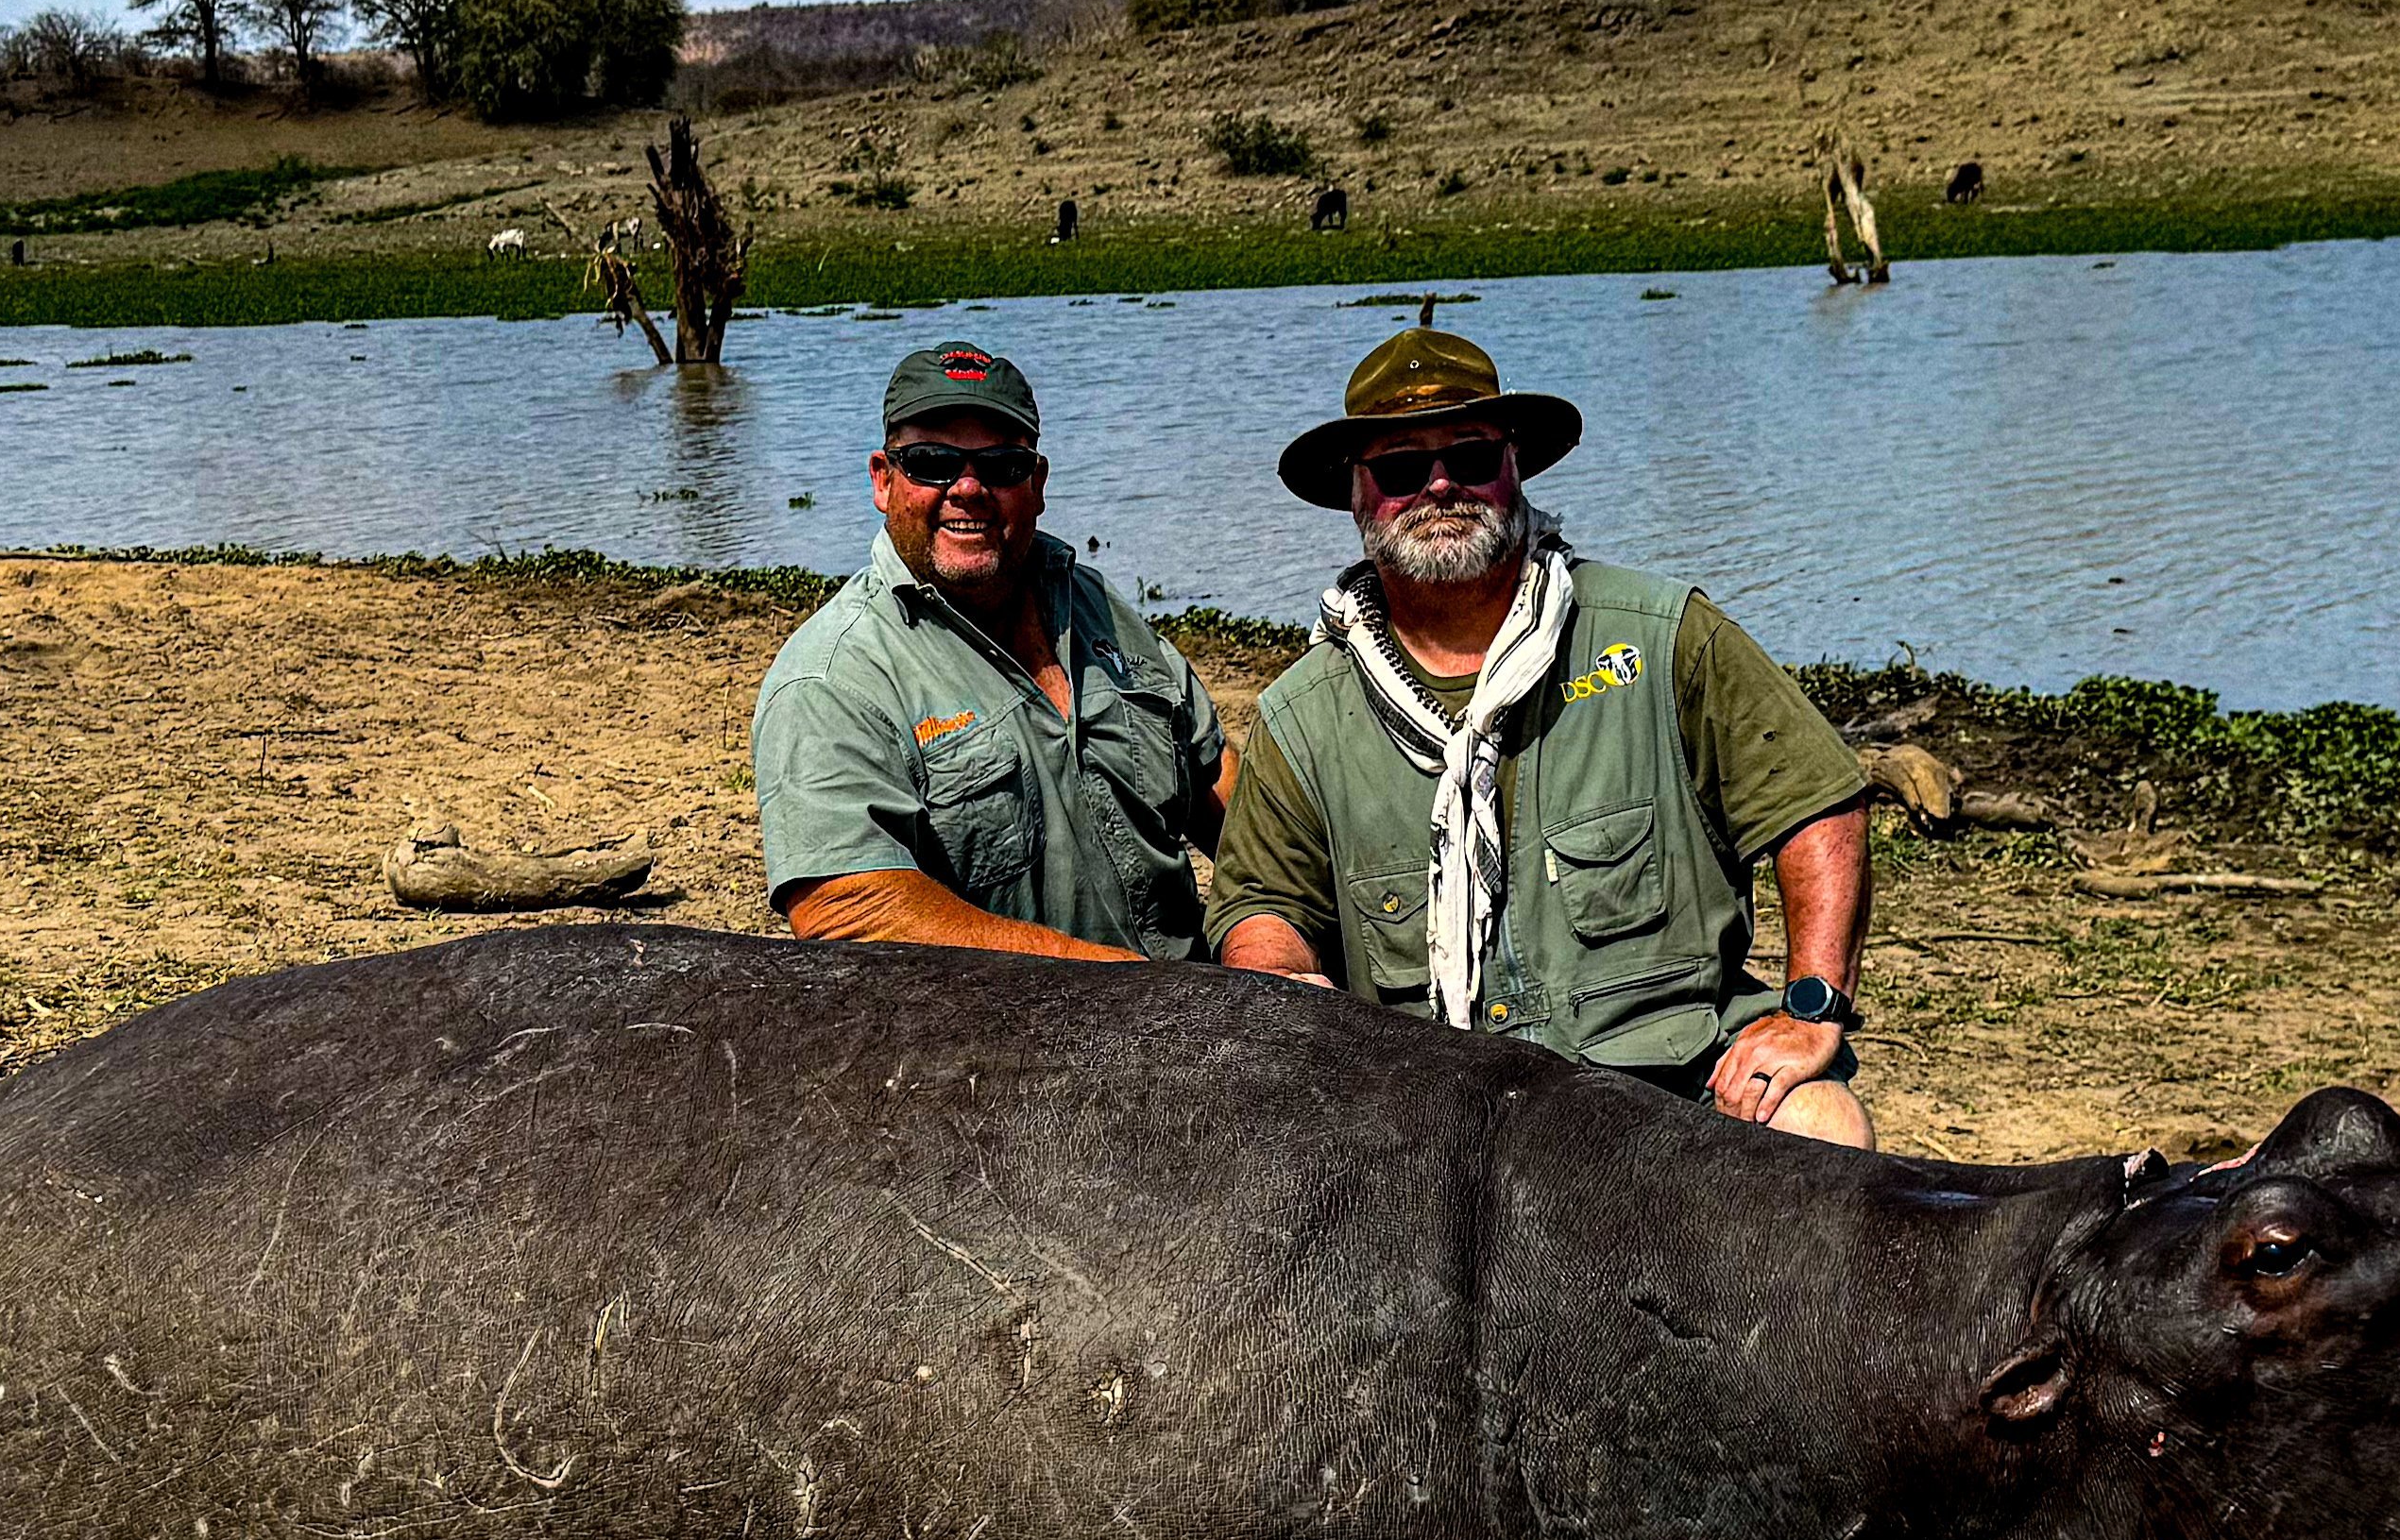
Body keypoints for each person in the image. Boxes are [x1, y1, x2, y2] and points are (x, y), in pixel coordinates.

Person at [1212, 319, 1879, 1143]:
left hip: (1672, 1094)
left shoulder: (1660, 637)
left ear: (1514, 468)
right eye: (1400, 467)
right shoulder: (1302, 715)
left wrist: (1812, 1008)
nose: (1439, 485)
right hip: (1435, 1119)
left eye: (1471, 456)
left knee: (1820, 1121)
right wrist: (1280, 979)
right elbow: (1263, 904)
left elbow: (1815, 806)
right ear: (1355, 493)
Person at [753, 344, 1234, 961]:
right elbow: (848, 909)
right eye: (932, 462)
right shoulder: (831, 679)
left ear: (1036, 483)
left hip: (1196, 1011)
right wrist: (1133, 990)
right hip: (997, 1044)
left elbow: (1217, 778)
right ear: (882, 479)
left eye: (1002, 465)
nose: (969, 488)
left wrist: (1264, 938)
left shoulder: (1093, 604)